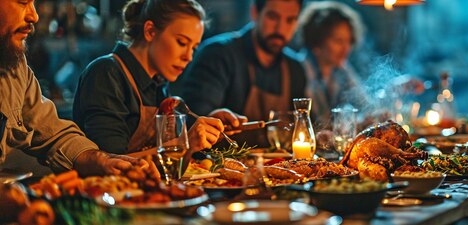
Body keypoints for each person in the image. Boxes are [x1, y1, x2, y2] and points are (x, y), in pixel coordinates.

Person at [0, 0, 156, 178]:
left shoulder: (14, 68)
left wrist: (100, 160)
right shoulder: (107, 72)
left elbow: (52, 133)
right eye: (22, 2)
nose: (34, 16)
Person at [73, 0, 247, 157]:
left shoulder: (158, 82)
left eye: (193, 48)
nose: (189, 57)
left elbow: (164, 148)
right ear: (150, 31)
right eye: (181, 42)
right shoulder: (107, 73)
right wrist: (183, 144)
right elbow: (109, 163)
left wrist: (205, 130)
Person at [180, 0, 306, 147]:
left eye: (290, 20)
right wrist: (213, 119)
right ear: (255, 13)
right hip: (220, 166)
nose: (280, 28)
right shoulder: (218, 54)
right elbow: (194, 121)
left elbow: (302, 122)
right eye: (273, 17)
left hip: (276, 166)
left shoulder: (295, 68)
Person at [297, 1, 368, 127]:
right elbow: (321, 123)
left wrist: (392, 90)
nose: (346, 48)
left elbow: (365, 104)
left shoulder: (341, 69)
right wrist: (357, 123)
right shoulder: (299, 69)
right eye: (338, 41)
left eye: (349, 41)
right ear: (317, 41)